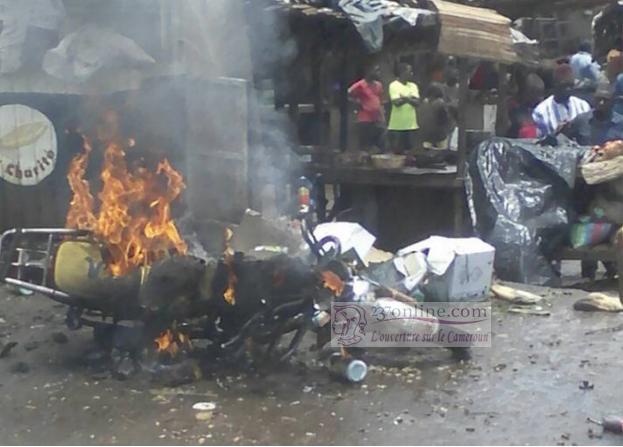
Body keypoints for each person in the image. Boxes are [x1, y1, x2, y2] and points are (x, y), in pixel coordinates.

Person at [564, 81, 623, 279]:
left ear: (613, 101)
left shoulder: (620, 123)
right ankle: (587, 271)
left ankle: (612, 265)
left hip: (610, 189)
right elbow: (567, 144)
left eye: (605, 100)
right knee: (586, 223)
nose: (600, 103)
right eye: (597, 99)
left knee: (610, 225)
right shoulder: (581, 121)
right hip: (584, 186)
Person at [532, 63, 591, 137]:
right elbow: (537, 142)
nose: (568, 89)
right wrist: (556, 134)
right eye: (564, 86)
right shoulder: (541, 112)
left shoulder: (583, 106)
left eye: (571, 85)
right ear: (555, 85)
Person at [348, 65, 385, 151]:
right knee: (365, 143)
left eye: (378, 71)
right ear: (369, 72)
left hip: (376, 118)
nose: (378, 73)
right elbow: (348, 94)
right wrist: (357, 103)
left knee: (378, 143)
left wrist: (382, 116)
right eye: (376, 70)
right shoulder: (360, 84)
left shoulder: (379, 85)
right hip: (365, 118)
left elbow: (380, 100)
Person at [387, 63, 420, 153]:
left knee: (410, 151)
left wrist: (404, 98)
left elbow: (417, 103)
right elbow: (396, 103)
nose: (411, 74)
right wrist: (410, 99)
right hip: (397, 125)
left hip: (411, 125)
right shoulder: (393, 85)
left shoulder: (413, 86)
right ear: (402, 72)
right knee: (397, 151)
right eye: (409, 71)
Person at [508, 73, 545, 138]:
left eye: (542, 94)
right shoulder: (515, 110)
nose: (541, 98)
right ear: (527, 92)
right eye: (537, 93)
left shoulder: (543, 110)